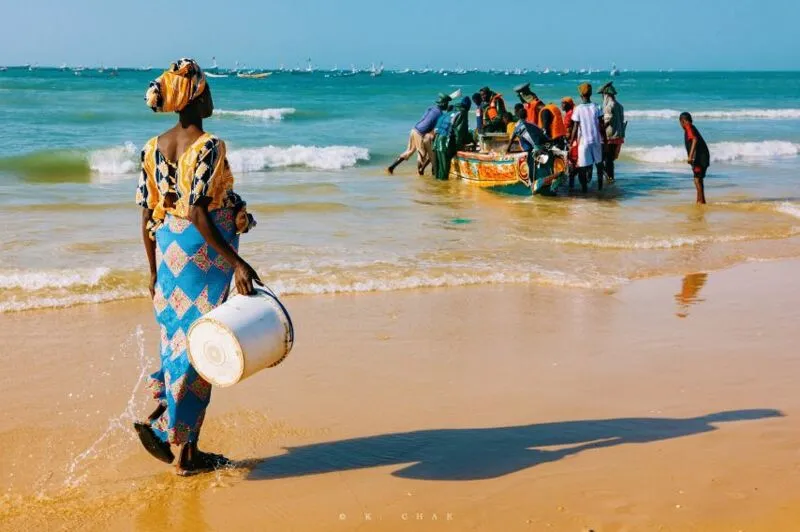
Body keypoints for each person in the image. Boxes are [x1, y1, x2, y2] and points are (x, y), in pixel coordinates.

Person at [135, 59, 259, 476]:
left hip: (168, 248)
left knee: (178, 340)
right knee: (202, 348)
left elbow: (146, 212)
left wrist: (153, 269)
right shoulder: (209, 145)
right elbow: (199, 213)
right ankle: (184, 453)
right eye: (206, 92)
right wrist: (238, 263)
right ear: (193, 97)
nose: (211, 98)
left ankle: (172, 429)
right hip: (202, 253)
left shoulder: (152, 146)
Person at [387, 94, 451, 175]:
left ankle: (392, 167)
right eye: (447, 103)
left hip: (414, 129)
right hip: (420, 134)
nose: (447, 105)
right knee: (422, 155)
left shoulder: (431, 108)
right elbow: (436, 128)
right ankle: (420, 173)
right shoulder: (440, 114)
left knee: (409, 151)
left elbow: (425, 119)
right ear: (444, 104)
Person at [569, 83, 605, 192]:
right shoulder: (597, 106)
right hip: (596, 140)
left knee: (582, 168)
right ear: (590, 94)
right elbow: (602, 126)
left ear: (581, 95)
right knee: (599, 165)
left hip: (584, 143)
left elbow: (575, 127)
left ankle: (584, 190)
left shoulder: (578, 109)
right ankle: (600, 188)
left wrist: (571, 143)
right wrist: (605, 140)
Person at [507, 106, 551, 188]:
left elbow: (511, 140)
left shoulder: (518, 127)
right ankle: (545, 180)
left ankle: (531, 183)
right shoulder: (532, 124)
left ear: (518, 116)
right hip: (541, 146)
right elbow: (541, 132)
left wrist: (507, 150)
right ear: (526, 115)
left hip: (531, 150)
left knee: (530, 166)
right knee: (541, 165)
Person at [432, 96, 472, 179]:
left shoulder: (450, 112)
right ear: (468, 107)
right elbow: (459, 132)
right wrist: (459, 147)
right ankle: (443, 190)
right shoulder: (462, 112)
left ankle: (436, 191)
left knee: (438, 172)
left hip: (436, 141)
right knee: (444, 173)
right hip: (445, 142)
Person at [679, 112, 710, 204]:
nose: (681, 125)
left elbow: (694, 140)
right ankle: (700, 200)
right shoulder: (692, 127)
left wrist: (690, 156)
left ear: (683, 121)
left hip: (699, 158)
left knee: (697, 180)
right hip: (703, 157)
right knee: (699, 179)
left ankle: (701, 202)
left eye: (680, 123)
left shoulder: (688, 127)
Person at [598, 82, 626, 184]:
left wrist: (599, 129)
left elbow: (607, 121)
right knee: (610, 160)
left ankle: (609, 179)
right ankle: (610, 178)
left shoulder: (609, 106)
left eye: (603, 95)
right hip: (618, 136)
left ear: (606, 95)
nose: (602, 97)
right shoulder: (619, 106)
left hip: (610, 137)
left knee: (605, 159)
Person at [561, 97, 580, 189]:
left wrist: (571, 142)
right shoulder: (569, 113)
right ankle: (572, 185)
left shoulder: (571, 114)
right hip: (570, 141)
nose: (562, 105)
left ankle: (571, 187)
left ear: (569, 104)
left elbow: (574, 129)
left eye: (564, 103)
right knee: (571, 163)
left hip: (572, 141)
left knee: (572, 163)